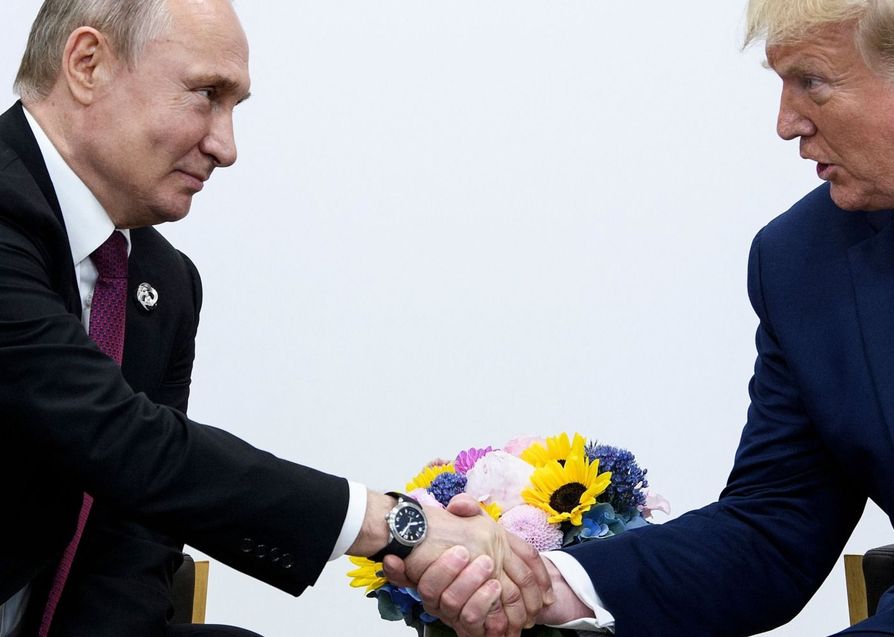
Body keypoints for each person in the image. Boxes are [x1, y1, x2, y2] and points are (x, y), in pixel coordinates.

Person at [394, 0, 894, 635]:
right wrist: (550, 584)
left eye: (812, 81)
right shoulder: (806, 262)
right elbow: (773, 527)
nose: (785, 123)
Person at [0, 1, 550, 635]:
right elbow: (119, 438)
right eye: (206, 94)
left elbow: (132, 534)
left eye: (236, 107)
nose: (226, 147)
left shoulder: (164, 283)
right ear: (87, 64)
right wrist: (395, 527)